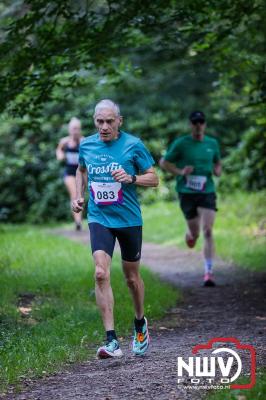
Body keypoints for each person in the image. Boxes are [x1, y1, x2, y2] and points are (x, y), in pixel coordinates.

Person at [72, 99, 159, 358]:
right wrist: (78, 196)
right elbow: (80, 170)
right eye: (100, 121)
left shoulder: (133, 145)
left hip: (129, 219)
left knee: (132, 278)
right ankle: (111, 340)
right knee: (100, 273)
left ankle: (140, 322)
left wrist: (132, 178)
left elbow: (154, 178)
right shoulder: (86, 144)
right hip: (100, 217)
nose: (104, 126)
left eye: (110, 121)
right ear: (94, 122)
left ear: (119, 121)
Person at [160, 111, 222, 287]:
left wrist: (218, 169)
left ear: (205, 124)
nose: (198, 125)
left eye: (201, 122)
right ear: (190, 124)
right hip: (186, 192)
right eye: (195, 122)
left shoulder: (212, 143)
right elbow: (164, 162)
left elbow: (218, 162)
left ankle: (208, 272)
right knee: (195, 232)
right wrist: (180, 172)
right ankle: (190, 235)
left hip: (207, 191)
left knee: (208, 230)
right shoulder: (181, 144)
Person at [56, 117, 84, 230]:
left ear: (80, 129)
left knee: (80, 196)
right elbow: (59, 150)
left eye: (77, 128)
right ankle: (78, 222)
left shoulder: (84, 141)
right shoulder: (64, 141)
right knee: (74, 194)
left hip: (81, 173)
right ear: (69, 129)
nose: (75, 131)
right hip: (69, 173)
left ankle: (79, 220)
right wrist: (60, 155)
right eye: (73, 128)